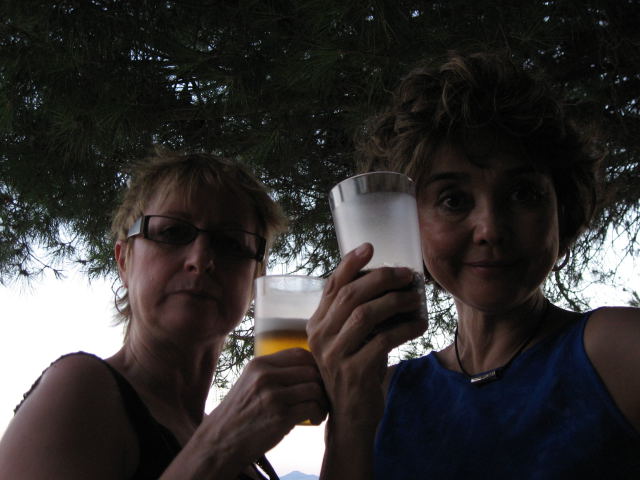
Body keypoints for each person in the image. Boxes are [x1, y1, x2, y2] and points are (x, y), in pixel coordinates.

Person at [308, 52, 640, 479]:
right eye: (453, 200)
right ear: (408, 225)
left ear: (561, 208)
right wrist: (349, 414)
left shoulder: (617, 351)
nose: (491, 229)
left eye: (523, 193)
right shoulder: (385, 395)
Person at [0, 149, 327, 479]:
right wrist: (219, 447)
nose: (201, 260)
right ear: (124, 260)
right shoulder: (81, 389)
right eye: (172, 232)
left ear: (256, 278)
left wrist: (349, 415)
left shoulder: (245, 448)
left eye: (231, 242)